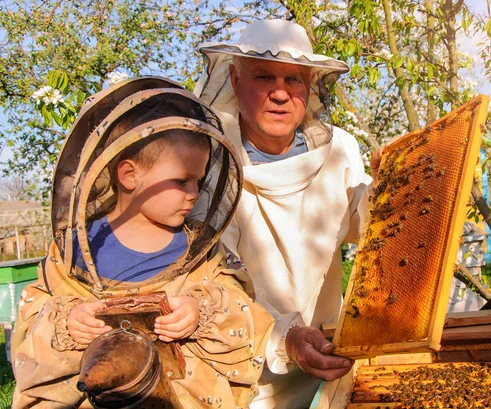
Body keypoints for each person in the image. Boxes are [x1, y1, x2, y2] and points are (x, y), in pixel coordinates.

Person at [11, 77, 274, 409]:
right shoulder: (74, 254)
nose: (194, 193)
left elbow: (243, 311)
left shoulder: (200, 252)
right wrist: (67, 321)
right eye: (181, 180)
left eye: (199, 180)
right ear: (129, 175)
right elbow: (31, 321)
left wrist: (199, 311)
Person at [195, 19, 374, 408]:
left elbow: (371, 229)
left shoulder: (340, 149)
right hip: (245, 376)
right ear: (234, 79)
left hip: (331, 358)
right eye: (264, 77)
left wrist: (398, 191)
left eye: (293, 80)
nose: (280, 93)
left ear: (309, 85)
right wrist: (284, 336)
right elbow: (215, 283)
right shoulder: (209, 162)